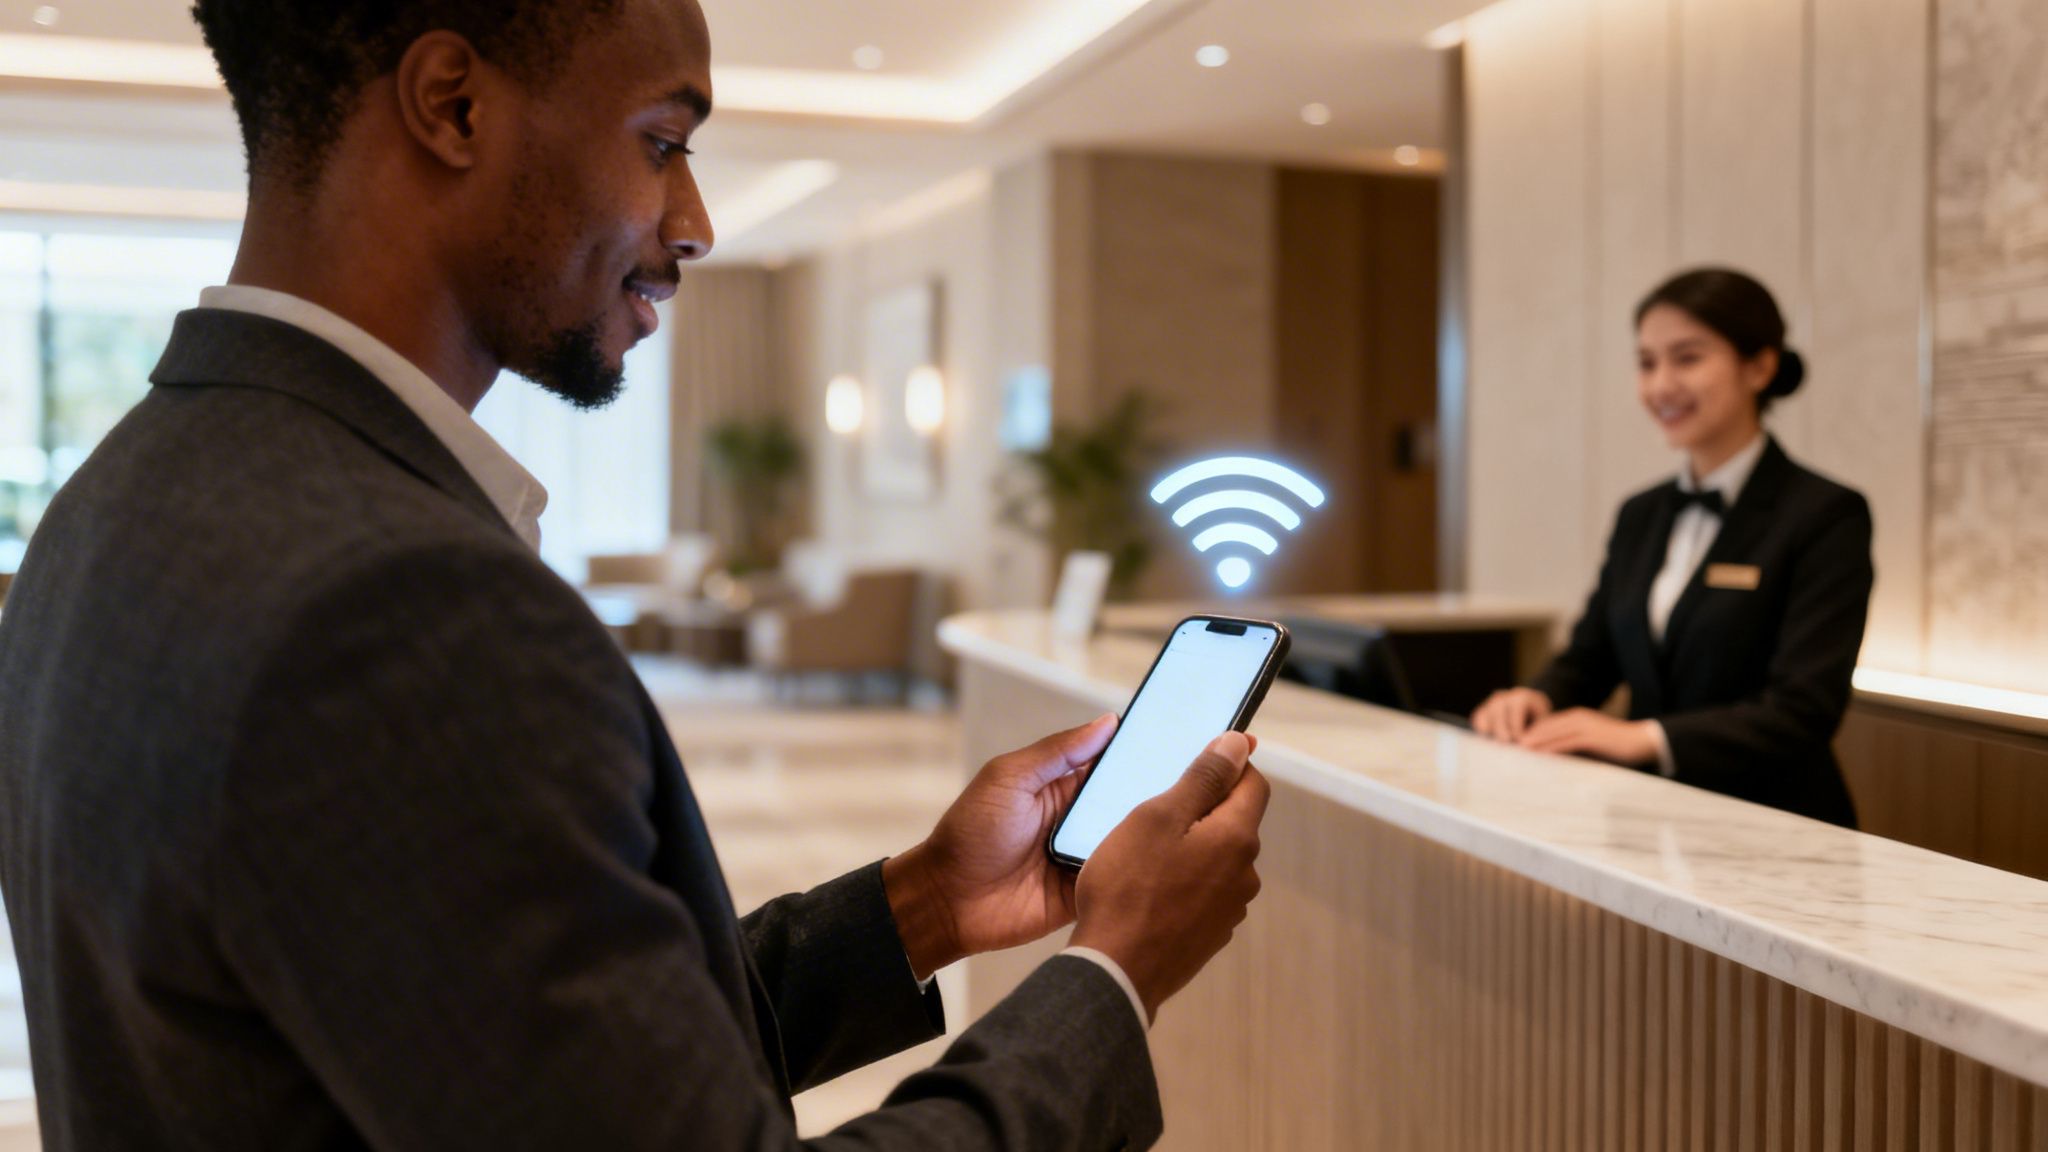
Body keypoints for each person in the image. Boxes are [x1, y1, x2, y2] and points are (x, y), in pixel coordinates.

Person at [0, 1, 1271, 1147]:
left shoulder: (118, 501)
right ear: (453, 104)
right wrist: (1110, 970)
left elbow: (524, 1059)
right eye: (664, 143)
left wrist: (925, 901)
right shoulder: (400, 613)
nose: (697, 224)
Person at [1470, 267, 1872, 827]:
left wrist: (1645, 736)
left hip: (1777, 823)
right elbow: (1592, 657)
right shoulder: (1641, 513)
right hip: (1648, 819)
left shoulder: (1825, 514)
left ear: (1759, 366)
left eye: (1687, 358)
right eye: (1647, 362)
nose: (1661, 386)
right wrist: (1535, 698)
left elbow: (1803, 711)